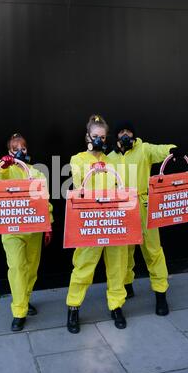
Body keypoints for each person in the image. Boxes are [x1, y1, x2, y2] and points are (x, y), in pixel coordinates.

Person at [109, 121, 180, 316]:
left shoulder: (144, 149)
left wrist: (174, 150)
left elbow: (161, 150)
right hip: (122, 208)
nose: (125, 135)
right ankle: (127, 284)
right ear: (116, 137)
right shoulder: (110, 158)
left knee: (153, 250)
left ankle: (160, 294)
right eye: (121, 131)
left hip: (144, 206)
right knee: (124, 251)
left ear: (133, 134)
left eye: (128, 131)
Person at [66, 115, 128, 334]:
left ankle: (116, 305)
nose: (100, 140)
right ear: (88, 137)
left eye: (103, 137)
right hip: (90, 221)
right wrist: (95, 167)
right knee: (83, 266)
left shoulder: (112, 161)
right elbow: (77, 182)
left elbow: (120, 187)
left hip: (112, 220)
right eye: (95, 137)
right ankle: (73, 307)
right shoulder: (78, 159)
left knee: (117, 265)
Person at [0, 133, 53, 332]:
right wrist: (3, 166)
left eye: (23, 147)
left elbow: (45, 200)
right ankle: (18, 312)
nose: (20, 151)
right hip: (12, 229)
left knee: (31, 269)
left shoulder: (37, 173)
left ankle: (25, 299)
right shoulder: (4, 169)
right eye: (15, 148)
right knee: (17, 267)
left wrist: (49, 224)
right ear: (9, 151)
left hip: (34, 228)